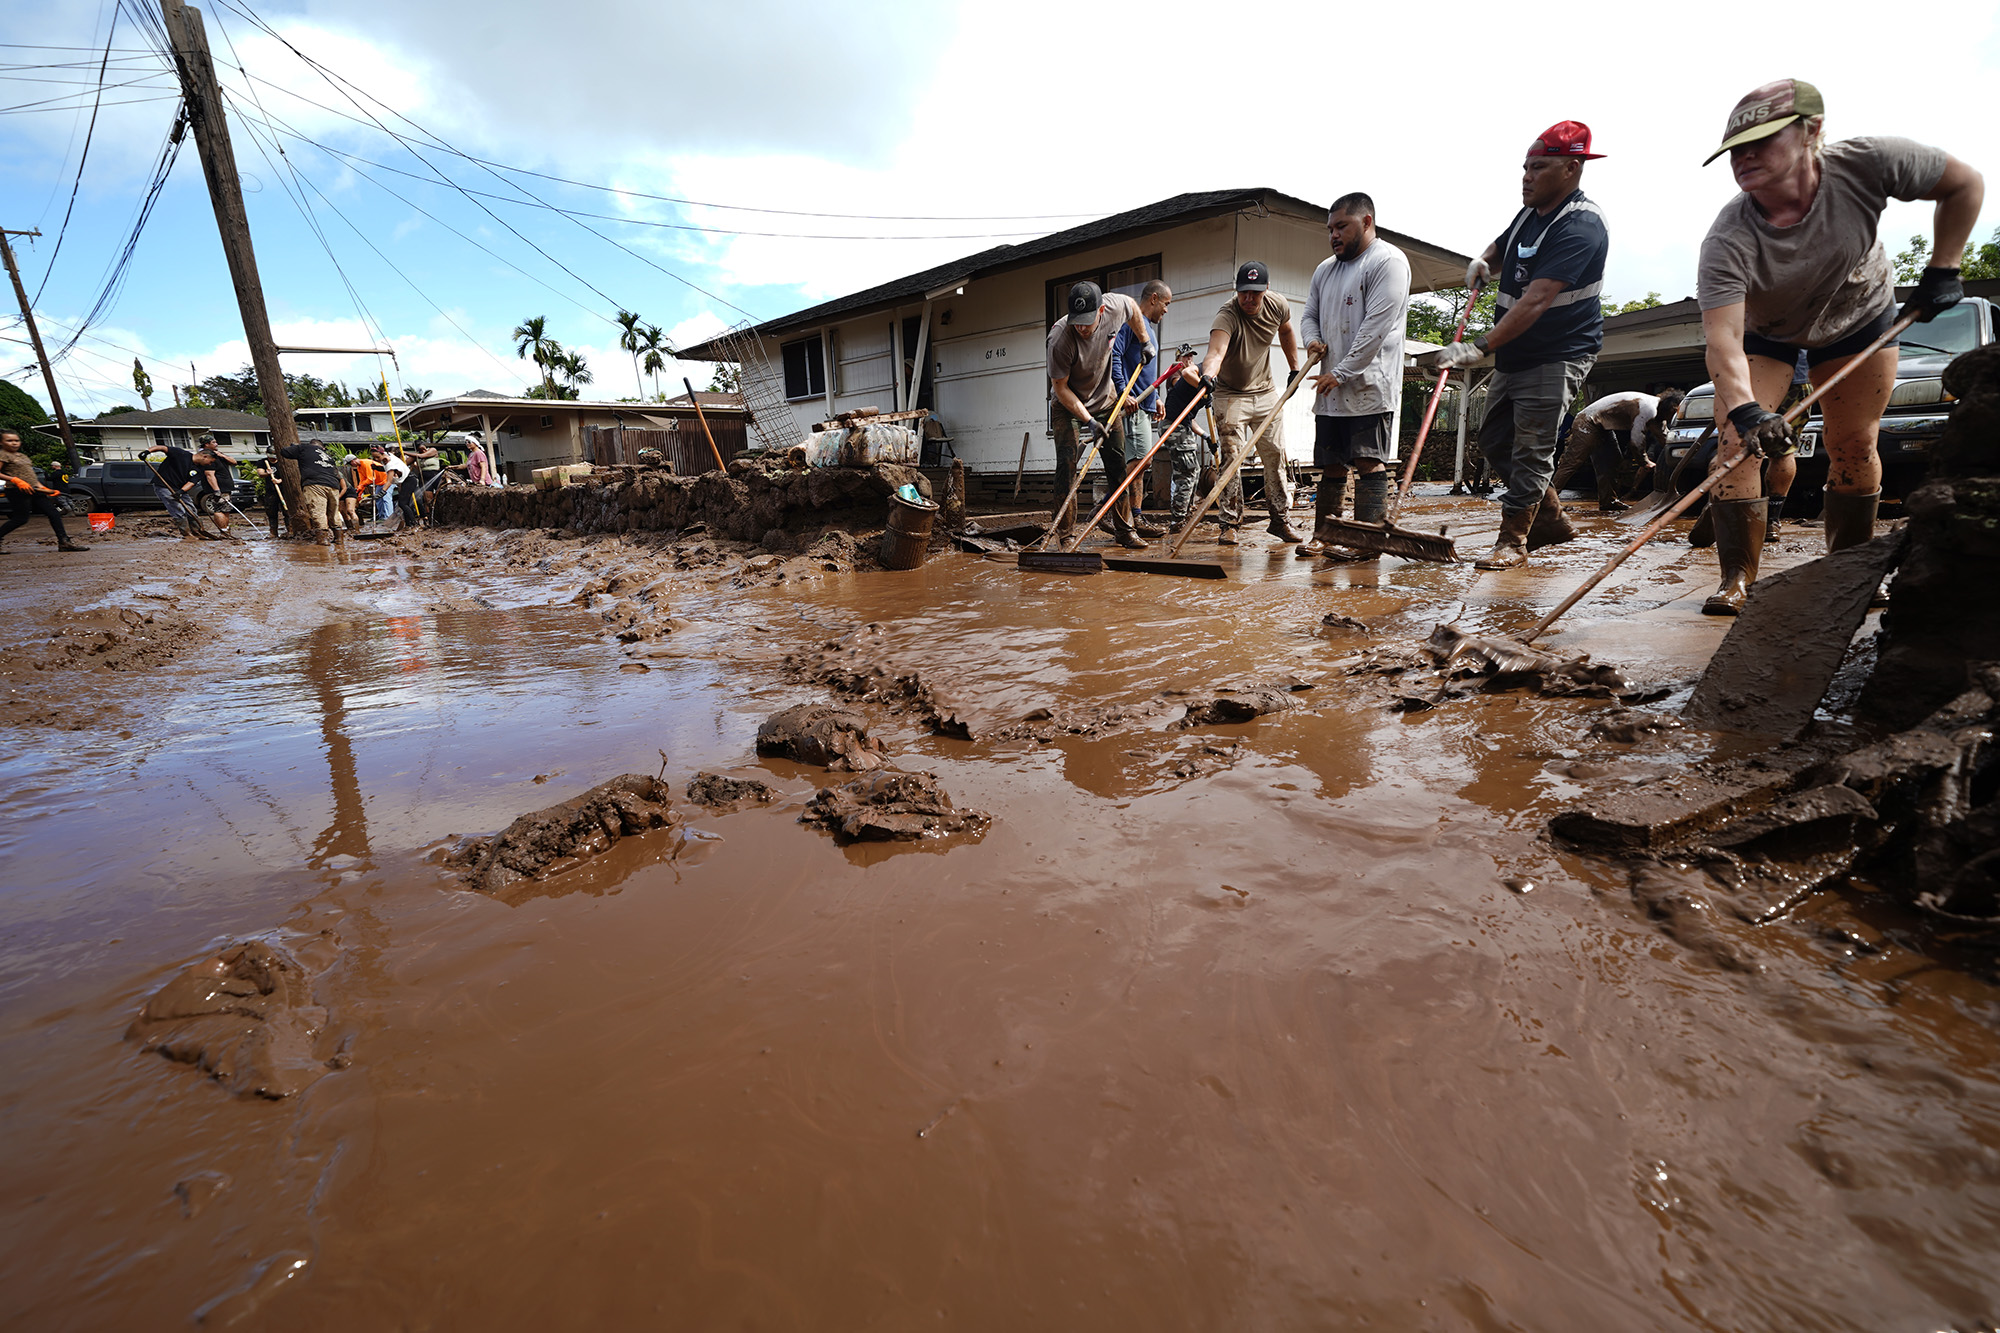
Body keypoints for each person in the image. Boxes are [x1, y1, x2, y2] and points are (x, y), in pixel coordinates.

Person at [1693, 79, 1984, 614]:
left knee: (1852, 443)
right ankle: (1736, 577)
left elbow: (1964, 184)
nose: (1745, 156)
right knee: (1735, 443)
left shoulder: (1867, 164)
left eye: (1762, 140)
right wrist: (1749, 409)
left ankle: (1849, 570)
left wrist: (1945, 265)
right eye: (1736, 147)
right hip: (1768, 333)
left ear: (1812, 132)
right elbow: (1724, 341)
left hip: (1859, 321)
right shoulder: (1728, 238)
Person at [1434, 121, 1611, 569]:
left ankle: (1513, 540)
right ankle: (1549, 517)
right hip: (1517, 352)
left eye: (1539, 167)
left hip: (1558, 352)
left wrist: (1478, 346)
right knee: (1496, 440)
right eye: (1525, 167)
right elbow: (1505, 242)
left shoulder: (1582, 226)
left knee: (1531, 448)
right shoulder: (1530, 213)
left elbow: (1536, 301)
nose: (1526, 177)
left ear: (1571, 168)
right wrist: (1484, 260)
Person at [1295, 193, 1412, 561]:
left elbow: (1377, 326)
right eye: (1330, 228)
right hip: (1330, 385)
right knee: (1329, 463)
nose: (1334, 235)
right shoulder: (1324, 270)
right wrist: (1312, 340)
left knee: (1367, 460)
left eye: (1341, 226)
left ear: (1366, 222)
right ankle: (1325, 534)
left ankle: (1367, 541)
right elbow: (1308, 315)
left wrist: (1344, 370)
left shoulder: (1387, 261)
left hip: (1368, 385)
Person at [1186, 262, 1305, 544]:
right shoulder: (1227, 315)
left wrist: (1294, 368)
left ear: (1266, 290)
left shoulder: (1277, 305)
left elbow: (1286, 331)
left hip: (1264, 391)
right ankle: (1229, 524)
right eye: (1243, 293)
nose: (1248, 299)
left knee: (1275, 455)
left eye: (1255, 293)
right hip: (1230, 394)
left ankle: (1280, 520)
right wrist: (1207, 376)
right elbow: (1216, 352)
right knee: (1230, 459)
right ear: (1236, 290)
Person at [1047, 279, 1157, 548]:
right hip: (1068, 407)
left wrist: (1144, 340)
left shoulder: (1115, 307)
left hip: (1106, 401)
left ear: (1101, 311)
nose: (1082, 328)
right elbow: (1060, 389)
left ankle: (1124, 530)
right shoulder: (1060, 337)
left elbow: (1132, 307)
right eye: (1077, 321)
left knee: (1118, 465)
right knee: (1067, 467)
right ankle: (1066, 536)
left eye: (1087, 320)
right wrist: (1088, 421)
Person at [1108, 280, 1174, 537]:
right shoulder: (1131, 323)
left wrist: (1155, 397)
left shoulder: (1150, 331)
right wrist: (1123, 392)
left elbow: (1147, 370)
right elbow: (1116, 356)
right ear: (1154, 298)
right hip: (1133, 404)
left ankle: (1133, 518)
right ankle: (1114, 513)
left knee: (1140, 464)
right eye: (1166, 304)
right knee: (1137, 463)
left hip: (1145, 402)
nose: (1166, 311)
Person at [1550, 389, 1684, 512]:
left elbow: (1666, 441)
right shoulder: (1648, 408)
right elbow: (1636, 442)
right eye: (1674, 413)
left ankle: (1609, 501)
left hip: (1603, 426)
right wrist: (1644, 462)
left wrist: (1683, 461)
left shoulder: (1660, 418)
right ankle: (1548, 502)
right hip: (1588, 421)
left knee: (1612, 462)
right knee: (1573, 462)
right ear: (1671, 409)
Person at [0, 431, 87, 553]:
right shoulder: (3, 455)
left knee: (54, 513)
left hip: (34, 489)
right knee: (21, 519)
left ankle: (64, 542)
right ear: (1, 442)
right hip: (16, 490)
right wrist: (15, 480)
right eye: (9, 440)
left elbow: (31, 477)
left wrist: (46, 490)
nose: (14, 443)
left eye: (16, 440)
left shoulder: (22, 456)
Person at [279, 436, 348, 545]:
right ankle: (339, 538)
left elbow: (284, 452)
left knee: (318, 511)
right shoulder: (329, 457)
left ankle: (323, 539)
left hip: (315, 483)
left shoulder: (304, 448)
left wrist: (295, 447)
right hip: (333, 485)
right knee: (333, 512)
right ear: (322, 448)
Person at [137, 438, 206, 541]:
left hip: (179, 489)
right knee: (178, 509)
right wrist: (147, 452)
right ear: (205, 456)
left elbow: (191, 483)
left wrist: (181, 492)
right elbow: (162, 448)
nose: (210, 464)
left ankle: (197, 532)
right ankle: (186, 534)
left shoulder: (199, 469)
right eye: (210, 461)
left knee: (191, 509)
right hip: (164, 486)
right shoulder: (181, 454)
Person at [371, 445, 409, 524]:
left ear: (382, 454)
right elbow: (386, 468)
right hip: (403, 481)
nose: (376, 459)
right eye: (374, 458)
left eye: (377, 457)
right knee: (403, 503)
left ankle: (411, 523)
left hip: (409, 480)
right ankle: (409, 522)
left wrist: (382, 492)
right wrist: (378, 468)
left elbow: (389, 481)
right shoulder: (388, 455)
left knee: (403, 503)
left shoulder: (390, 464)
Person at [251, 456, 287, 538]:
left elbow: (289, 474)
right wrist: (267, 473)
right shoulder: (263, 462)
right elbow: (260, 473)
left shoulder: (282, 461)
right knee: (271, 512)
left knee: (286, 511)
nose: (272, 459)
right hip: (271, 491)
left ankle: (290, 530)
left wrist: (280, 480)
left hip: (284, 490)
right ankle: (273, 532)